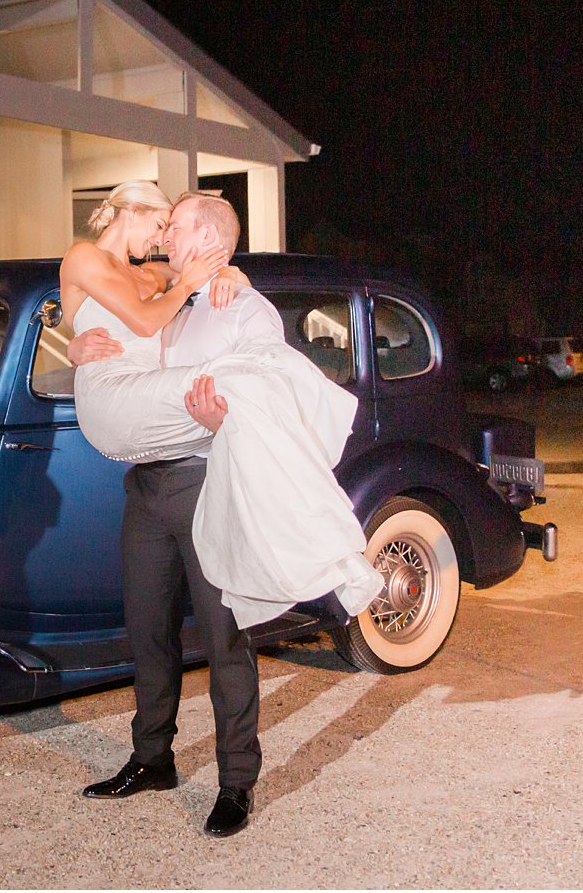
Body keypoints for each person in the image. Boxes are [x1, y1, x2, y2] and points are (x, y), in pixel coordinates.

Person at [63, 188, 381, 837]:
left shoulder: (243, 306)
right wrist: (75, 348)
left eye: (174, 226)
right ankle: (152, 759)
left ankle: (237, 783)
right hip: (146, 491)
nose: (164, 237)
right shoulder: (162, 294)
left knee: (224, 639)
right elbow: (111, 334)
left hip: (210, 485)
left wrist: (220, 417)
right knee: (147, 632)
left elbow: (265, 392)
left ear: (208, 240)